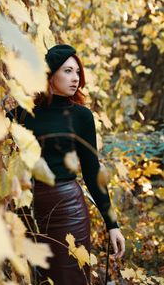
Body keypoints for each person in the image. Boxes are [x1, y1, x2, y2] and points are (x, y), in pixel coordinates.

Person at [8, 44, 125, 285]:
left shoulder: (81, 116)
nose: (76, 78)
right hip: (29, 210)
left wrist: (112, 223)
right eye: (68, 71)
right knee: (38, 279)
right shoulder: (24, 113)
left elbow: (92, 172)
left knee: (70, 278)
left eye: (78, 73)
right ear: (50, 75)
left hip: (68, 210)